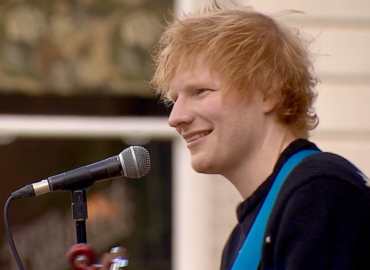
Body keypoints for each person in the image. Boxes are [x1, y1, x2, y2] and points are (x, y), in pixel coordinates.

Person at [151, 1, 370, 269]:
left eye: (200, 91)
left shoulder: (320, 193)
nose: (176, 118)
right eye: (174, 99)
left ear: (268, 92)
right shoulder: (243, 235)